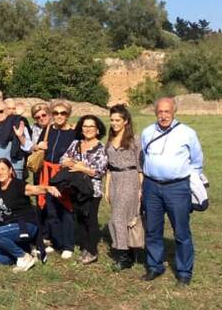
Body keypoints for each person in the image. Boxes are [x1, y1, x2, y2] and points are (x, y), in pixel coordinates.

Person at [140, 97, 204, 286]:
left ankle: (184, 271)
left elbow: (197, 161)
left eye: (167, 111)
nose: (163, 116)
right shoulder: (147, 132)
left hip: (177, 188)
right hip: (151, 187)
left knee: (181, 231)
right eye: (160, 112)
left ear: (174, 112)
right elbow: (144, 156)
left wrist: (191, 183)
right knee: (152, 229)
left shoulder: (187, 133)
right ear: (155, 113)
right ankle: (154, 266)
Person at [0, 159, 61, 271]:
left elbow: (34, 189)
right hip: (10, 230)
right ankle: (28, 251)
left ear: (10, 170)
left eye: (3, 169)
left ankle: (23, 257)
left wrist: (48, 188)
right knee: (1, 259)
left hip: (25, 226)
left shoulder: (18, 185)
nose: (0, 172)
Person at [59, 115, 109, 265]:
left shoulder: (101, 148)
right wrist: (72, 163)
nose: (87, 129)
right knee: (79, 218)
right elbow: (63, 160)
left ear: (97, 129)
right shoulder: (75, 144)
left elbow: (100, 171)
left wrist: (80, 167)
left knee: (90, 219)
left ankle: (92, 250)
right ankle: (85, 247)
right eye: (85, 126)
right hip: (75, 188)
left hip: (92, 190)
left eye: (91, 126)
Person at [36, 101, 77, 259]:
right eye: (56, 113)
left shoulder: (73, 133)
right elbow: (39, 147)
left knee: (65, 209)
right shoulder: (48, 129)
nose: (59, 116)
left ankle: (68, 245)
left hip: (62, 174)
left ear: (68, 115)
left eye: (63, 113)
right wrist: (38, 146)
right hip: (46, 173)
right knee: (50, 209)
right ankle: (55, 241)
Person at [105, 104, 143, 270]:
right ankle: (131, 251)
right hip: (114, 180)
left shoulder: (134, 141)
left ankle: (122, 255)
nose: (114, 123)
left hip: (130, 178)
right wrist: (107, 188)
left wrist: (141, 188)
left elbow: (140, 167)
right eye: (112, 120)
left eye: (117, 120)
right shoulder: (109, 140)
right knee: (122, 216)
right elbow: (108, 168)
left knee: (118, 218)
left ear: (126, 121)